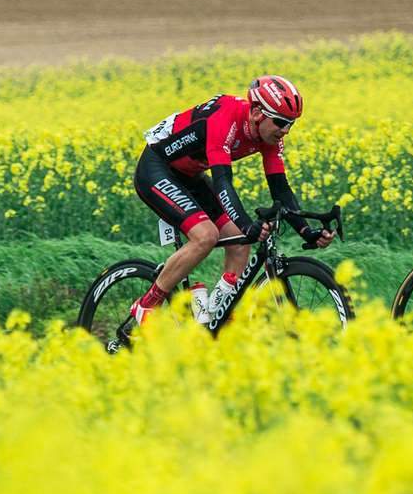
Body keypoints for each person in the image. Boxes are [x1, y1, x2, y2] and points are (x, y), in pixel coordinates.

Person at [128, 74, 334, 328]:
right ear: (257, 113)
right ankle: (147, 303)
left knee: (240, 243)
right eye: (280, 122)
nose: (286, 131)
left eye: (291, 124)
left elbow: (280, 190)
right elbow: (223, 182)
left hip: (191, 174)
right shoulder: (225, 118)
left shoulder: (270, 137)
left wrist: (307, 232)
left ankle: (218, 321)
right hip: (157, 168)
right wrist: (248, 225)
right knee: (205, 236)